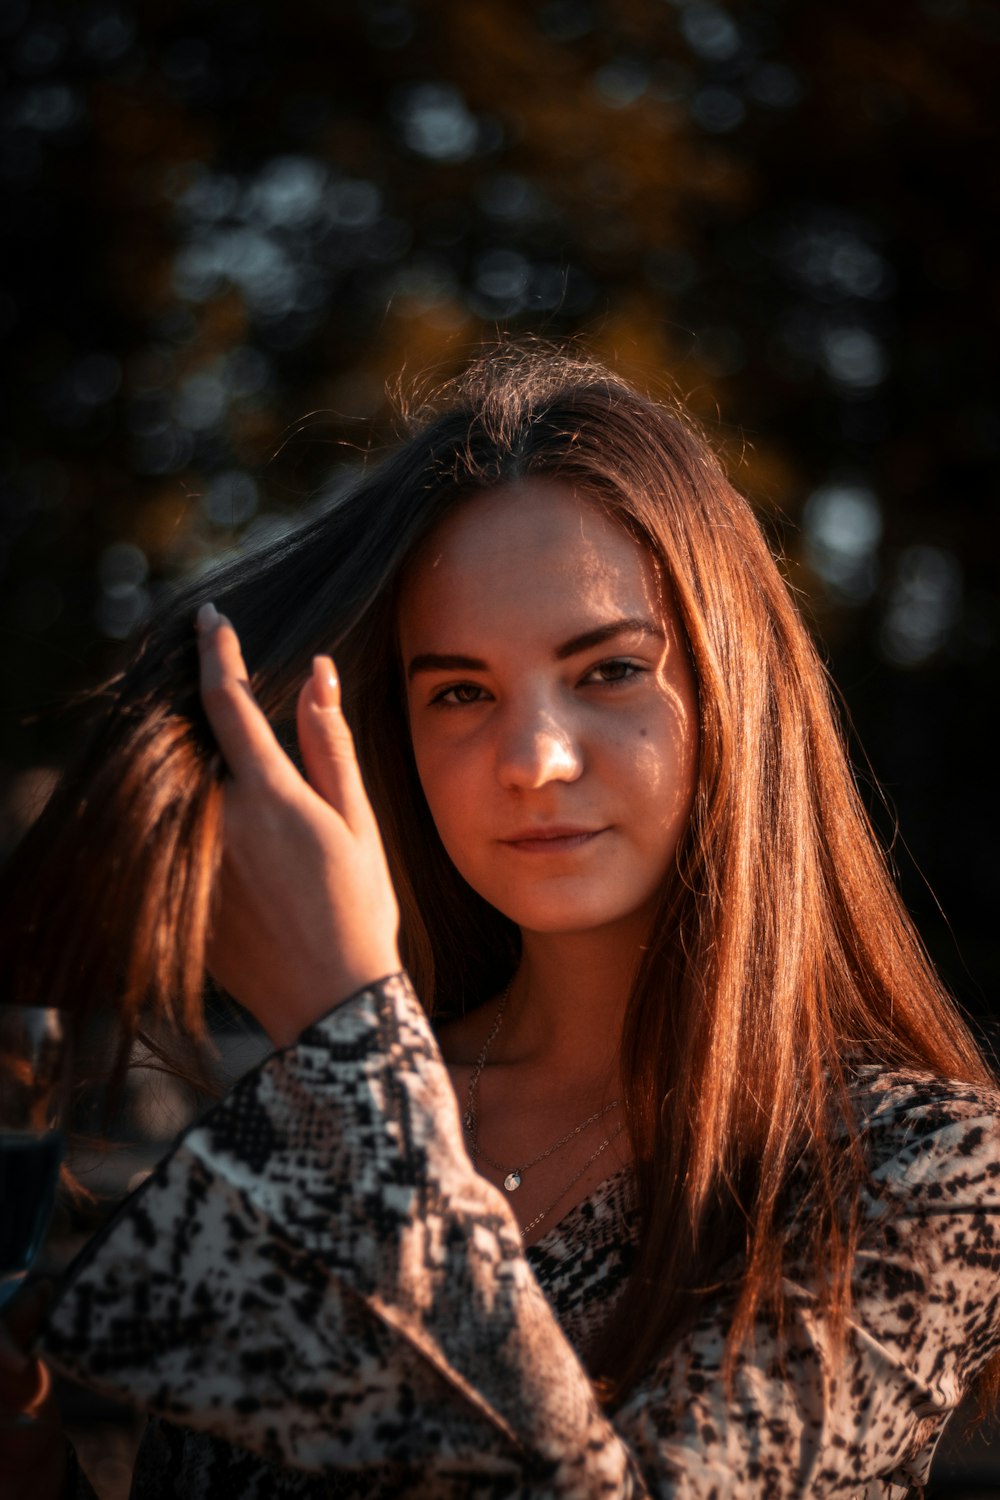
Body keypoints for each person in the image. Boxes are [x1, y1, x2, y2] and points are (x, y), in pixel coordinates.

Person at [1, 347, 999, 1498]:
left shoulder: (921, 1176)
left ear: (740, 695)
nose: (533, 760)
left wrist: (351, 1045)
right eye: (461, 692)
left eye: (610, 670)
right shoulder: (307, 1118)